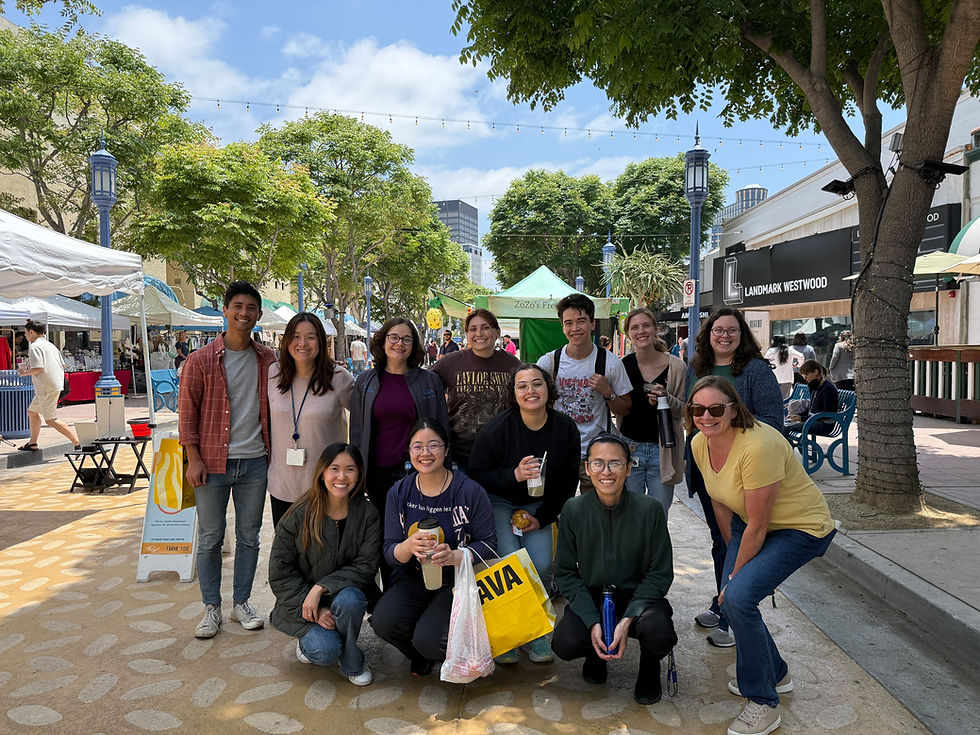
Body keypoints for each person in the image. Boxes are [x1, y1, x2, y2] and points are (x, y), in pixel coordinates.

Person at [687, 376, 836, 735]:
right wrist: (731, 563)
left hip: (799, 527)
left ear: (734, 410)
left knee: (737, 597)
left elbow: (760, 523)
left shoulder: (758, 445)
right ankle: (777, 673)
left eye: (716, 408)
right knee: (735, 599)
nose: (706, 416)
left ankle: (763, 702)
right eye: (697, 409)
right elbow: (720, 501)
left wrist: (737, 578)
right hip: (748, 524)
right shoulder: (699, 443)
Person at [178, 281, 277, 640]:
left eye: (251, 307)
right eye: (237, 306)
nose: (244, 313)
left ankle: (241, 603)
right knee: (209, 537)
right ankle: (211, 607)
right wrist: (193, 459)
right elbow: (186, 414)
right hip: (212, 462)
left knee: (249, 536)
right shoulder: (200, 359)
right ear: (225, 310)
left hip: (254, 462)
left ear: (259, 315)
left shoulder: (269, 360)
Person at [552, 434, 677, 705]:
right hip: (594, 596)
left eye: (615, 464)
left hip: (639, 599)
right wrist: (592, 621)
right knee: (565, 642)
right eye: (597, 463)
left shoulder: (650, 509)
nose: (606, 472)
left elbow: (660, 573)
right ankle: (596, 652)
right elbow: (564, 573)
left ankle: (649, 666)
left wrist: (628, 617)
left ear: (629, 468)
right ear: (587, 469)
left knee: (660, 633)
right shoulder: (574, 509)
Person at [468, 363, 580, 664]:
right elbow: (476, 474)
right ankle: (508, 634)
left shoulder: (565, 429)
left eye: (537, 384)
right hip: (500, 500)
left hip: (539, 506)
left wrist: (543, 517)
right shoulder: (498, 427)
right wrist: (513, 476)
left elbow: (568, 483)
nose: (530, 390)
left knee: (542, 564)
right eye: (522, 386)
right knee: (508, 562)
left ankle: (537, 632)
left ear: (548, 389)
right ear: (513, 393)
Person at [687, 307, 783, 649]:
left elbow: (773, 420)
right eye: (717, 330)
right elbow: (693, 414)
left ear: (741, 335)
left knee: (740, 542)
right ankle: (722, 603)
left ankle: (732, 615)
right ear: (707, 334)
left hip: (747, 472)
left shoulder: (756, 370)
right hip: (707, 467)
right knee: (721, 541)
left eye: (731, 330)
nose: (724, 335)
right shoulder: (697, 368)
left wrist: (728, 429)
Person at [369, 419, 496, 676]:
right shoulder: (400, 492)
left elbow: (489, 544)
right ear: (409, 452)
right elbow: (390, 552)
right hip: (415, 577)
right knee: (383, 621)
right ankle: (420, 656)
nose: (425, 453)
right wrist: (408, 546)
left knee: (429, 639)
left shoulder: (469, 491)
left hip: (457, 580)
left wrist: (457, 555)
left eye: (433, 446)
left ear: (447, 450)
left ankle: (456, 651)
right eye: (417, 447)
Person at [268, 443, 379, 686]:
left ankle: (351, 659)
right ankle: (310, 642)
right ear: (322, 472)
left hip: (344, 595)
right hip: (303, 602)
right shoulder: (299, 514)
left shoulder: (368, 513)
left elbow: (366, 566)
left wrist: (321, 588)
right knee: (325, 651)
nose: (342, 477)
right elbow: (280, 572)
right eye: (334, 469)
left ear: (359, 474)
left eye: (350, 469)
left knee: (350, 600)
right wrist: (312, 604)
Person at [350, 318, 448, 585]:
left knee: (422, 533)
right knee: (387, 537)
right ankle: (393, 595)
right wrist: (359, 474)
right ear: (383, 340)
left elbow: (440, 427)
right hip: (379, 475)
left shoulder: (429, 381)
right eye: (394, 337)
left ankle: (423, 590)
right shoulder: (366, 382)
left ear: (414, 344)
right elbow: (357, 432)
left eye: (407, 339)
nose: (400, 344)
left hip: (417, 474)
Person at [536, 293, 632, 493]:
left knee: (596, 514)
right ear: (562, 327)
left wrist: (608, 392)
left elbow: (625, 407)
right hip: (560, 451)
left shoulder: (610, 363)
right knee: (560, 513)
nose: (575, 328)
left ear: (592, 324)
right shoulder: (549, 363)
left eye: (581, 321)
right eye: (568, 323)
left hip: (597, 453)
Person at [268, 312, 355, 528]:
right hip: (283, 486)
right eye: (296, 336)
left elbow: (368, 418)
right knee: (288, 556)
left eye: (311, 337)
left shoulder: (339, 377)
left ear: (321, 342)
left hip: (327, 488)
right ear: (286, 340)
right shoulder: (273, 374)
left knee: (325, 556)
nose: (303, 343)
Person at [431, 308, 520, 472]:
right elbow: (424, 385)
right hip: (459, 455)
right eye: (473, 329)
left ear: (497, 332)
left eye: (485, 327)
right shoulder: (451, 362)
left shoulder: (512, 364)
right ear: (467, 334)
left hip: (500, 456)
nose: (479, 333)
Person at [619, 308, 687, 515]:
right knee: (630, 516)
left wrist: (667, 399)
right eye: (634, 327)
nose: (641, 331)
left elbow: (686, 411)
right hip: (630, 448)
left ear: (656, 329)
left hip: (663, 451)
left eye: (646, 325)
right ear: (628, 334)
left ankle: (654, 549)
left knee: (658, 516)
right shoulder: (623, 365)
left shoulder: (677, 367)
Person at [17, 320, 79, 451]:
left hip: (46, 387)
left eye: (26, 332)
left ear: (32, 332)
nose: (25, 335)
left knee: (51, 420)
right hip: (51, 385)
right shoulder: (51, 345)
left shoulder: (34, 347)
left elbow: (38, 368)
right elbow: (62, 365)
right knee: (32, 412)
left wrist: (24, 373)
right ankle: (33, 443)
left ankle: (77, 442)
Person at [785, 360, 839, 437]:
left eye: (806, 375)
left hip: (824, 425)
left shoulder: (828, 389)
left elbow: (826, 414)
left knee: (786, 428)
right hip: (813, 421)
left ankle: (786, 448)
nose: (805, 378)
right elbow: (812, 408)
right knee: (783, 425)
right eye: (804, 376)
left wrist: (802, 419)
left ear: (816, 372)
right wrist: (797, 416)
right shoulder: (814, 387)